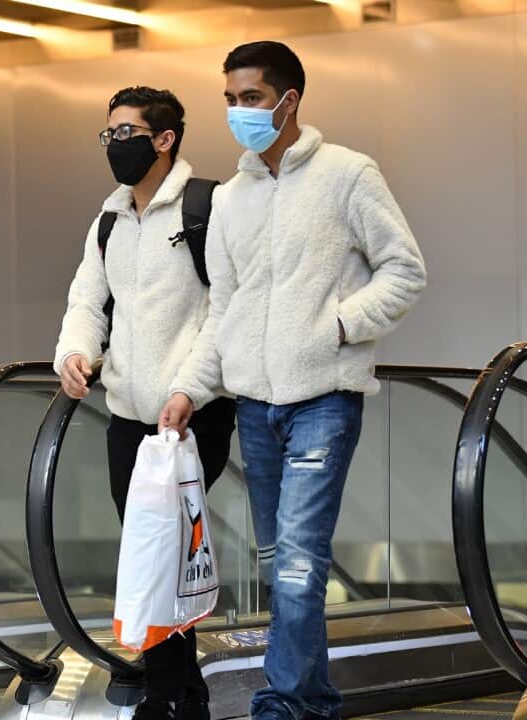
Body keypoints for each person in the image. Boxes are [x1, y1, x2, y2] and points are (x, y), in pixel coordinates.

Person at [162, 41, 426, 720]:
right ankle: (315, 701)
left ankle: (279, 703)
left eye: (250, 98)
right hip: (256, 406)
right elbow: (224, 310)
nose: (238, 113)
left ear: (289, 101)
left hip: (324, 401)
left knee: (299, 564)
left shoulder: (347, 175)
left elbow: (405, 270)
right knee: (283, 562)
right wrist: (190, 388)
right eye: (229, 100)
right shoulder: (230, 200)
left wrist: (338, 326)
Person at [54, 85, 237, 720]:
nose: (114, 146)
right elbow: (87, 301)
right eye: (108, 135)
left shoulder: (206, 207)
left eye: (126, 134)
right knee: (151, 548)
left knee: (163, 549)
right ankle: (184, 693)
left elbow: (224, 309)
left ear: (164, 140)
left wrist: (191, 388)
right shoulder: (108, 219)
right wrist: (76, 353)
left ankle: (166, 694)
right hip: (128, 417)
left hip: (194, 417)